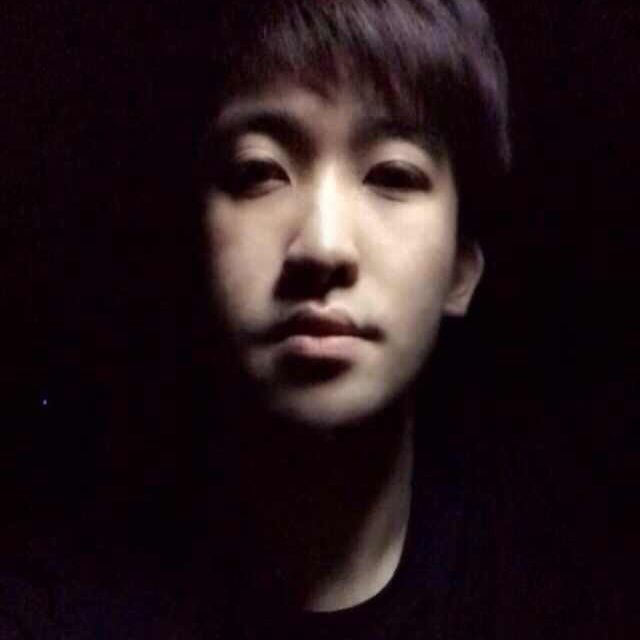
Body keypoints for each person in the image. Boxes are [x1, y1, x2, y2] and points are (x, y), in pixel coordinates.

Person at [1, 0, 609, 637]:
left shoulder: (574, 592)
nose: (322, 246)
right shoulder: (48, 610)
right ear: (192, 239)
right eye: (259, 171)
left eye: (393, 174)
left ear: (461, 267)